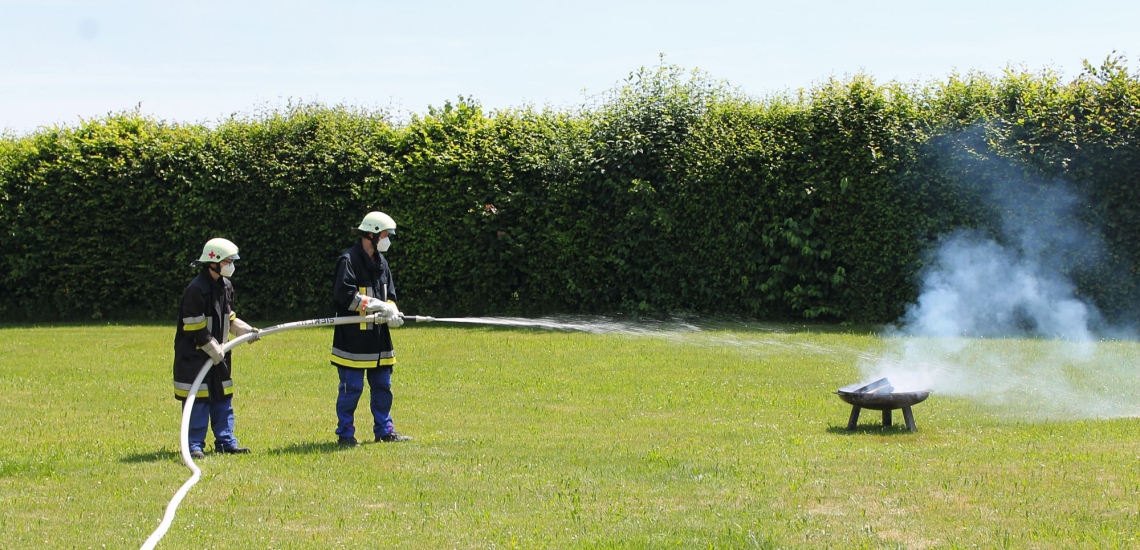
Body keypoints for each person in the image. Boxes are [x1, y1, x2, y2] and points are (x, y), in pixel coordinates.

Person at [172, 238, 260, 459]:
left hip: (219, 355)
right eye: (228, 261)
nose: (231, 265)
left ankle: (226, 442)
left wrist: (246, 331)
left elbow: (229, 318)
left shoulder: (226, 286)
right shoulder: (195, 290)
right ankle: (194, 446)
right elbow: (194, 326)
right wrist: (213, 349)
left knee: (222, 397)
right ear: (214, 262)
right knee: (198, 401)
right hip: (194, 357)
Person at [330, 211, 412, 446]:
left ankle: (385, 431)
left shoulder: (382, 262)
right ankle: (345, 435)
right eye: (386, 234)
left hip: (378, 340)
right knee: (351, 388)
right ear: (372, 234)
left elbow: (391, 296)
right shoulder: (348, 260)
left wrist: (393, 311)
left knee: (383, 386)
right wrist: (378, 306)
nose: (388, 239)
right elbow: (344, 296)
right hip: (353, 339)